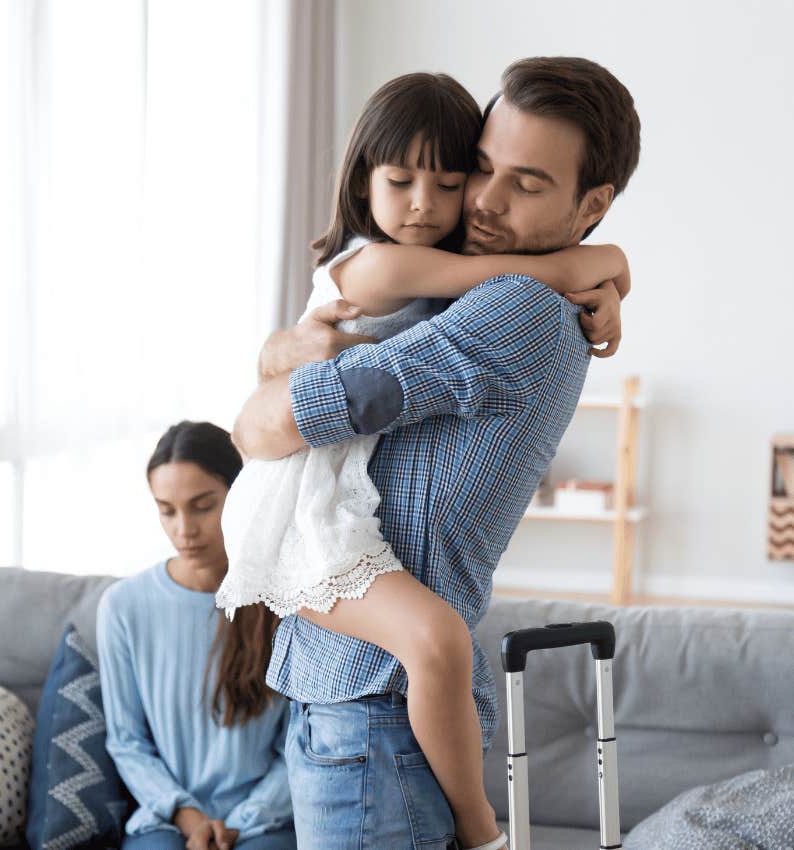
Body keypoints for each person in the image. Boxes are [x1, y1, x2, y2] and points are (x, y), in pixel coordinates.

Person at [231, 57, 642, 850]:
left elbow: (274, 424)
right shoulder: (462, 278)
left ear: (592, 203)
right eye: (480, 168)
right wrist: (611, 267)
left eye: (526, 184)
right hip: (352, 706)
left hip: (376, 718)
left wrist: (264, 394)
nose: (481, 201)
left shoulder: (517, 305)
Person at [96, 421, 296, 850]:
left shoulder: (286, 600)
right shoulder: (123, 606)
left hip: (265, 822)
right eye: (167, 510)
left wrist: (242, 820)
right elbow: (127, 741)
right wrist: (189, 819)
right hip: (166, 822)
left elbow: (298, 740)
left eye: (203, 505)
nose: (183, 529)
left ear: (240, 496)